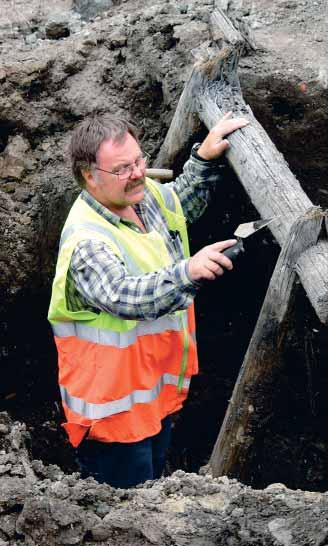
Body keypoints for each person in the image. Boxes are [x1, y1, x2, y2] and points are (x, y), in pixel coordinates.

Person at [48, 112, 249, 488]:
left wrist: (204, 158)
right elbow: (125, 296)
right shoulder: (87, 242)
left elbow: (180, 204)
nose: (138, 173)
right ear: (90, 175)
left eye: (139, 161)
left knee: (154, 491)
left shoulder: (142, 197)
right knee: (128, 514)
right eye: (123, 168)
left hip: (152, 398)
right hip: (112, 420)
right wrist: (188, 272)